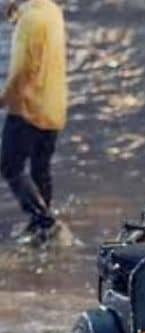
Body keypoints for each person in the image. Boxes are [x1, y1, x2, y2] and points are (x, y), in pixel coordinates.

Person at [1, 0, 65, 244]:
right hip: (54, 107)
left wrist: (4, 99)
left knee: (10, 167)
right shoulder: (51, 11)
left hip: (28, 107)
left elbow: (22, 69)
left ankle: (43, 220)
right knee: (40, 168)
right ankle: (44, 231)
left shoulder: (30, 20)